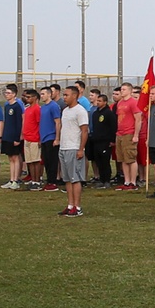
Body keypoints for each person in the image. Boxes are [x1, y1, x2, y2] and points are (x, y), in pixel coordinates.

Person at [58, 86, 89, 217]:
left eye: (66, 95)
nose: (64, 97)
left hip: (74, 148)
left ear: (75, 96)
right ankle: (70, 205)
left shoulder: (80, 111)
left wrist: (81, 149)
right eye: (63, 95)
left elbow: (84, 131)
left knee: (75, 178)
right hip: (64, 148)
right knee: (67, 179)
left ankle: (77, 207)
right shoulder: (65, 111)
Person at [114, 82, 142, 191]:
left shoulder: (133, 102)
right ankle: (126, 181)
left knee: (131, 158)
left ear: (130, 91)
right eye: (121, 89)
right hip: (120, 133)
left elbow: (138, 119)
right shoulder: (120, 103)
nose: (122, 91)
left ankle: (133, 181)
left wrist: (136, 135)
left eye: (124, 89)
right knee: (122, 159)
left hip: (129, 133)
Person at [89, 93, 117, 188]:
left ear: (105, 102)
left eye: (100, 101)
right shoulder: (96, 113)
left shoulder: (108, 113)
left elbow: (113, 127)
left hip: (105, 141)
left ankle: (107, 180)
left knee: (105, 162)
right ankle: (101, 179)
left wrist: (112, 140)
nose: (98, 103)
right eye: (97, 101)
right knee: (98, 161)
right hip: (96, 141)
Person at [0, 84, 24, 189]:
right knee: (10, 158)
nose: (7, 95)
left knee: (15, 158)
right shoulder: (7, 106)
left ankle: (16, 180)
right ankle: (11, 179)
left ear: (14, 94)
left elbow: (19, 123)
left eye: (9, 93)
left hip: (14, 136)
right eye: (6, 93)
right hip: (7, 136)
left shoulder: (17, 106)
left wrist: (18, 138)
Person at [39, 86, 62, 191]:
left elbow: (58, 122)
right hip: (43, 138)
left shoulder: (54, 106)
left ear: (49, 94)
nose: (42, 96)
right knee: (46, 161)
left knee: (52, 161)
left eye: (43, 94)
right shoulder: (43, 107)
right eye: (41, 94)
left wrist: (57, 138)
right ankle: (49, 180)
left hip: (51, 137)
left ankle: (53, 182)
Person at [22, 89, 44, 190]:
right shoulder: (27, 109)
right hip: (27, 138)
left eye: (29, 97)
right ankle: (33, 179)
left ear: (35, 98)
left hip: (35, 138)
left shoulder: (37, 109)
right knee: (29, 161)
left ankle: (37, 180)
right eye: (26, 97)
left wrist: (39, 138)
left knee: (36, 161)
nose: (27, 99)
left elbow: (40, 124)